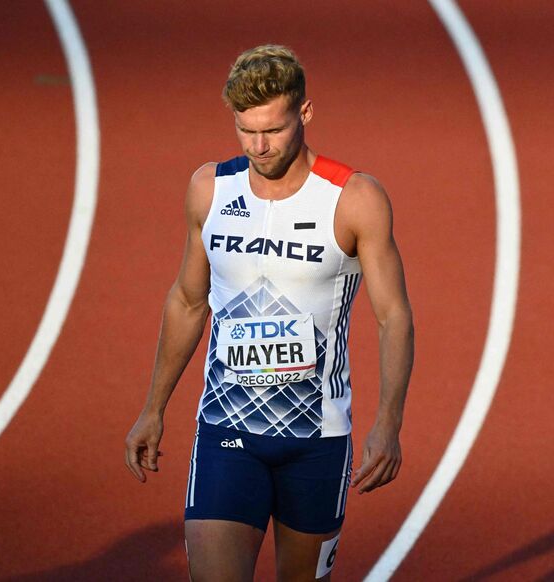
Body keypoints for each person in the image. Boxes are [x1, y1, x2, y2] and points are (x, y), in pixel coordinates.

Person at [124, 44, 414, 581]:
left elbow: (393, 314)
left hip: (317, 440)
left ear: (305, 113)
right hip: (225, 429)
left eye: (273, 130)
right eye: (245, 131)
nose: (259, 146)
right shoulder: (210, 189)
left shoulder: (353, 198)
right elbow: (188, 301)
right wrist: (153, 407)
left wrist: (388, 421)